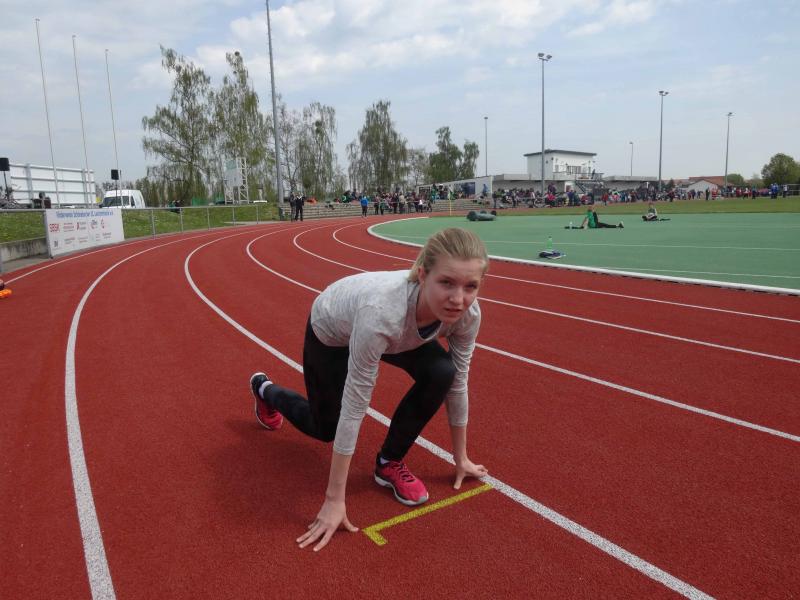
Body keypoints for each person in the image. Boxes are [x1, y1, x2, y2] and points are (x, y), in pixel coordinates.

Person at [249, 228, 489, 552]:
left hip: (396, 333)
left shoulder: (467, 315)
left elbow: (458, 383)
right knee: (326, 427)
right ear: (422, 275)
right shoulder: (382, 313)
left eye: (470, 286)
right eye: (446, 282)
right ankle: (265, 389)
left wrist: (461, 458)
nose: (458, 299)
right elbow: (355, 403)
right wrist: (334, 500)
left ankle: (389, 462)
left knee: (443, 372)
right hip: (333, 329)